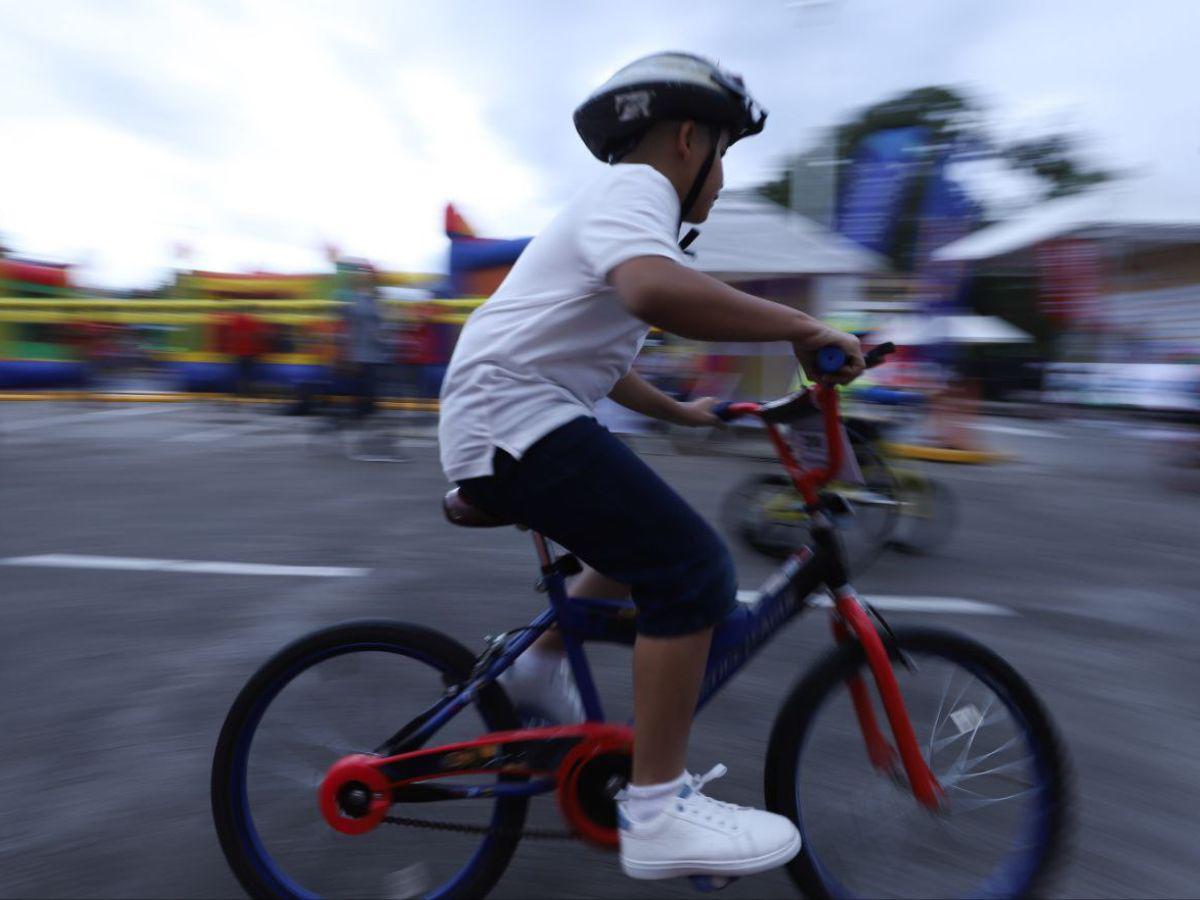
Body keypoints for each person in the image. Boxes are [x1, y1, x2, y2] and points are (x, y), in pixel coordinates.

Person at [437, 52, 864, 883]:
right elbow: (653, 295)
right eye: (724, 155)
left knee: (631, 541)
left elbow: (603, 352)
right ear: (686, 138)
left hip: (511, 414)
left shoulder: (624, 216)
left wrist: (687, 412)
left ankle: (538, 665)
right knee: (693, 569)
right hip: (515, 417)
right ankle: (659, 810)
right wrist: (802, 327)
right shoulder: (637, 192)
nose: (721, 178)